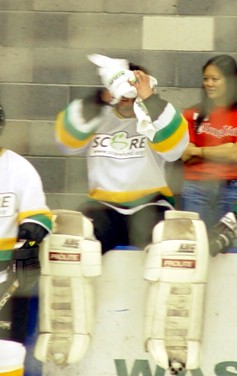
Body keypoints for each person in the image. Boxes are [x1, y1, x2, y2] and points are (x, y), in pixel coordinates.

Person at [55, 53, 189, 254]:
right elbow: (66, 142)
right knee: (72, 244)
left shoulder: (157, 117)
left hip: (150, 206)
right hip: (103, 207)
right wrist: (99, 99)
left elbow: (175, 149)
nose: (128, 96)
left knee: (169, 249)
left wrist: (149, 100)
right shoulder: (98, 116)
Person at [0, 103, 53, 347]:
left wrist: (28, 247)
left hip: (8, 269)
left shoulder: (18, 167)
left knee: (8, 346)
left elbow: (38, 216)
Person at [181, 54, 237, 229]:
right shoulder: (191, 114)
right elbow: (184, 154)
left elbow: (235, 154)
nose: (209, 84)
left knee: (228, 248)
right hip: (196, 188)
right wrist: (225, 150)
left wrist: (198, 151)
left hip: (232, 189)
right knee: (197, 244)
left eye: (215, 79)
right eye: (206, 79)